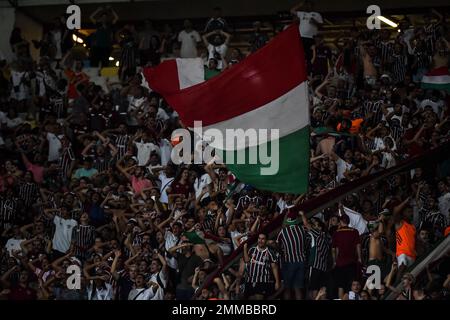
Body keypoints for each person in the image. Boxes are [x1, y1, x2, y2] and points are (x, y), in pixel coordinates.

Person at [276, 210, 309, 300]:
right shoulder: (302, 229)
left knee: (287, 289)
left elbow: (278, 245)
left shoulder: (283, 232)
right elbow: (307, 226)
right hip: (301, 262)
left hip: (289, 262)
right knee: (297, 289)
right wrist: (303, 215)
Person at [332, 213, 362, 299]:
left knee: (340, 285)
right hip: (351, 262)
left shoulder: (336, 232)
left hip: (340, 263)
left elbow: (333, 249)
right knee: (351, 285)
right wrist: (359, 258)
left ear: (341, 221)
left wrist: (334, 261)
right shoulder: (354, 231)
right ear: (348, 222)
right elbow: (358, 245)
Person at [243, 233, 281, 299]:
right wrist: (244, 248)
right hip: (250, 280)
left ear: (266, 241)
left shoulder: (270, 252)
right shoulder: (252, 250)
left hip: (262, 280)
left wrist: (277, 282)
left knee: (259, 298)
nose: (260, 240)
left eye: (263, 239)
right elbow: (247, 261)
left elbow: (274, 267)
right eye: (259, 238)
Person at [290, 0, 323, 73]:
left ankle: (309, 71)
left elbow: (321, 26)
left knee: (310, 55)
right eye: (306, 5)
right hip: (302, 37)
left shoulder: (317, 14)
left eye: (309, 5)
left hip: (311, 37)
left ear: (312, 6)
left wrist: (315, 22)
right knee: (300, 54)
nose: (307, 6)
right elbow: (292, 10)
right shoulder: (302, 13)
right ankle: (299, 70)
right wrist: (300, 5)